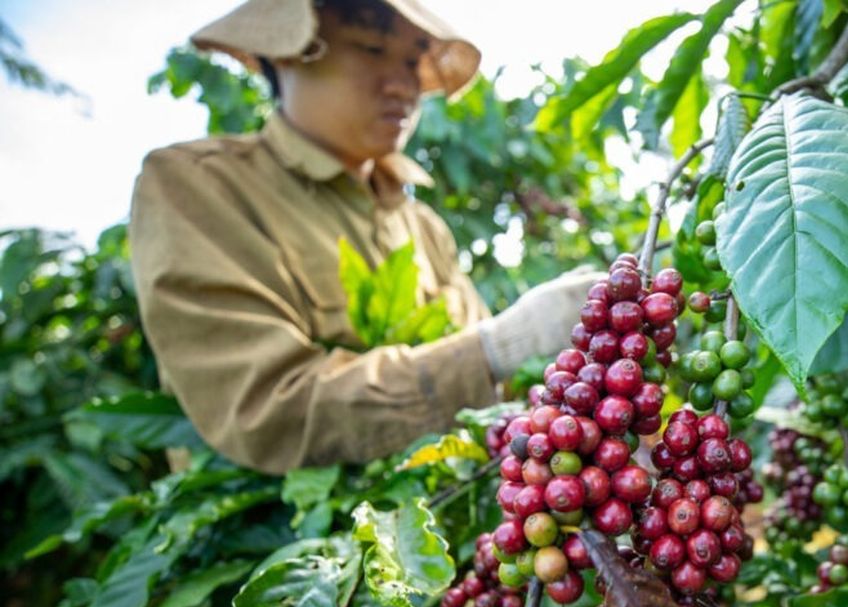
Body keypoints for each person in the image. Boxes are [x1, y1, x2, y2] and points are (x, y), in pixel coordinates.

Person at [129, 0, 597, 474]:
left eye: (413, 60)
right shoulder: (200, 186)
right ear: (288, 53)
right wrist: (498, 348)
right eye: (372, 49)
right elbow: (267, 412)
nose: (405, 85)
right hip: (287, 541)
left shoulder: (422, 226)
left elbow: (498, 397)